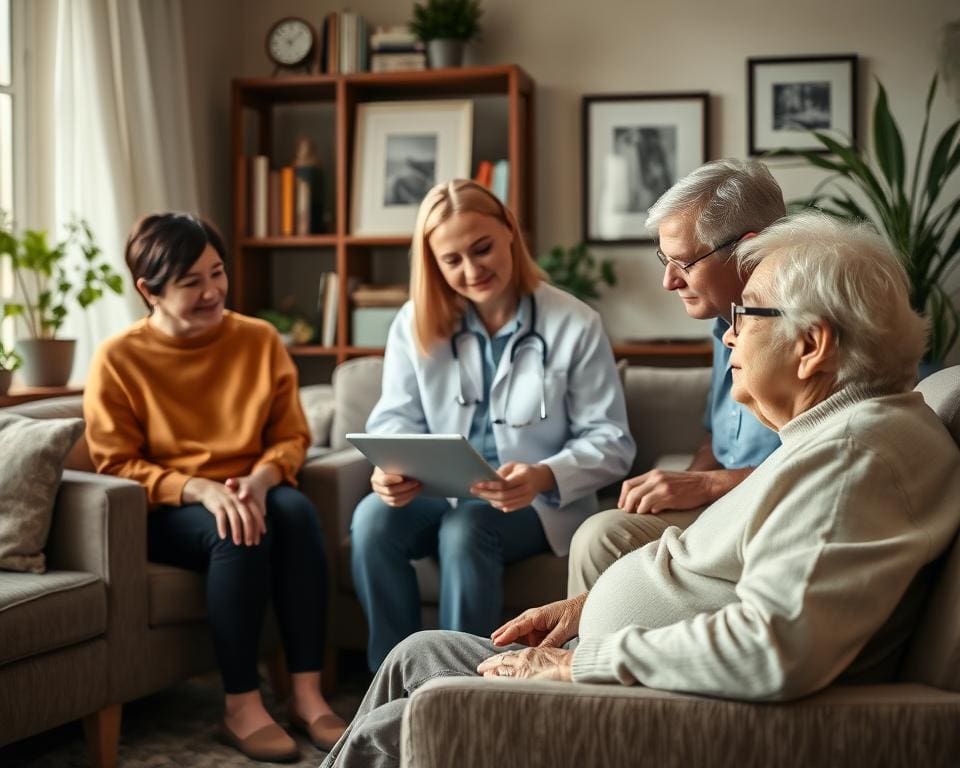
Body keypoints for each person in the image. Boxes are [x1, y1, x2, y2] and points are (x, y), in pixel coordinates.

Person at [320, 212, 960, 768]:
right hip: (631, 672)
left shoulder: (853, 461)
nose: (729, 333)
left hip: (650, 703)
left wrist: (581, 662)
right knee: (417, 654)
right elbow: (731, 572)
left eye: (747, 313)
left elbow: (774, 649)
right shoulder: (836, 435)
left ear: (812, 345)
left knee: (398, 727)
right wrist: (585, 609)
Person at [84, 213, 346, 763]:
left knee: (295, 513)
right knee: (236, 530)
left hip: (250, 483)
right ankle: (241, 705)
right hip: (168, 506)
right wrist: (199, 489)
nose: (212, 292)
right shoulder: (119, 358)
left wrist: (261, 476)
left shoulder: (257, 339)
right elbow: (115, 463)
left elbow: (292, 435)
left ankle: (305, 694)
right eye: (191, 283)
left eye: (217, 273)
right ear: (148, 290)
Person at [351, 179, 635, 671]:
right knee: (372, 520)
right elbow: (396, 416)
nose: (472, 270)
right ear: (433, 264)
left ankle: (461, 686)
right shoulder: (412, 322)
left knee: (467, 527)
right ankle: (391, 680)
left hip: (535, 502)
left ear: (509, 231)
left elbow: (612, 442)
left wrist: (544, 475)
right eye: (452, 260)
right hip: (440, 489)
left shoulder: (574, 322)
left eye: (482, 248)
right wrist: (389, 469)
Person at [568, 158, 785, 596]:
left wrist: (706, 484)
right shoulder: (724, 322)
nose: (668, 282)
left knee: (601, 537)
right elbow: (716, 438)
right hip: (724, 501)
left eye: (684, 263)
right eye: (664, 260)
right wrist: (680, 486)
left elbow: (818, 462)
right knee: (606, 530)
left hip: (768, 511)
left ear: (750, 249)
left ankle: (573, 661)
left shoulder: (805, 333)